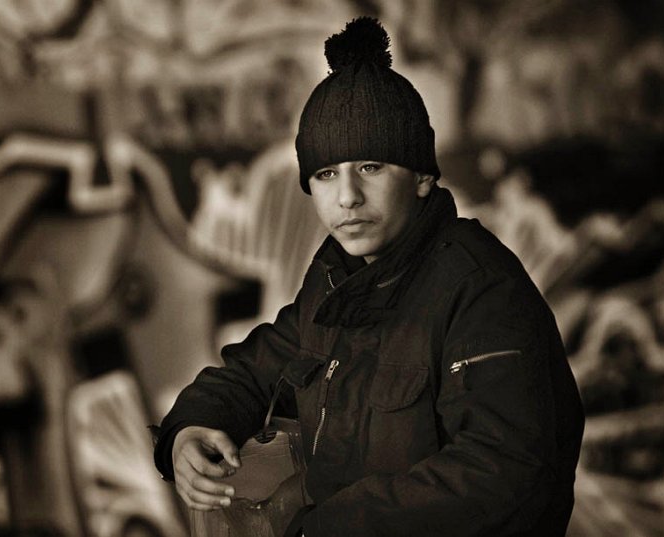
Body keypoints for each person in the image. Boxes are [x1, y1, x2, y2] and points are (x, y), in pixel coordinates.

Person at [153, 17, 584, 537]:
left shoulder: (480, 288)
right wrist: (189, 428)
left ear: (421, 177)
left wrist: (326, 527)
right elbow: (256, 368)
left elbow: (502, 473)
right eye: (326, 174)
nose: (347, 197)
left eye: (371, 167)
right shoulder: (337, 281)